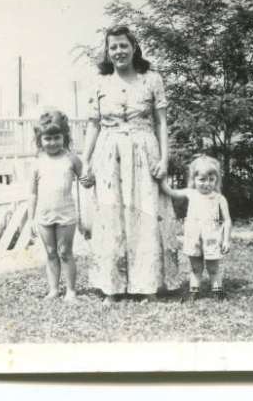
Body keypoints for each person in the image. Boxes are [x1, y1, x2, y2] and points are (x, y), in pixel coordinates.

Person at [80, 25, 179, 305]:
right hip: (109, 153)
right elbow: (92, 125)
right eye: (113, 47)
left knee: (146, 215)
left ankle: (147, 286)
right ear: (107, 51)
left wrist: (164, 158)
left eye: (123, 45)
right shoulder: (99, 82)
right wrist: (86, 161)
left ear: (134, 47)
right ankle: (112, 288)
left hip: (144, 151)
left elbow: (161, 122)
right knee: (111, 216)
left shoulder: (151, 79)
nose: (119, 51)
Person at [159, 156, 232, 301]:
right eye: (202, 179)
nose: (207, 184)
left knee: (213, 267)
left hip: (212, 237)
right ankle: (194, 292)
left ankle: (217, 291)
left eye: (211, 179)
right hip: (194, 237)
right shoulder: (190, 193)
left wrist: (226, 240)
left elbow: (227, 220)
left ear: (217, 180)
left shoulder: (219, 198)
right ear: (194, 179)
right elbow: (169, 191)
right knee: (195, 267)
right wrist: (161, 177)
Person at [28, 111, 84, 302]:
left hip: (66, 214)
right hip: (44, 215)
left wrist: (90, 177)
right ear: (40, 140)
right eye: (47, 138)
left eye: (57, 138)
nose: (52, 142)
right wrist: (30, 218)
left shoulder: (72, 159)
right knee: (51, 253)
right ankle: (53, 290)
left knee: (65, 253)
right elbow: (32, 193)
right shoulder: (37, 163)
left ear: (64, 137)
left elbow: (85, 182)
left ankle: (71, 290)